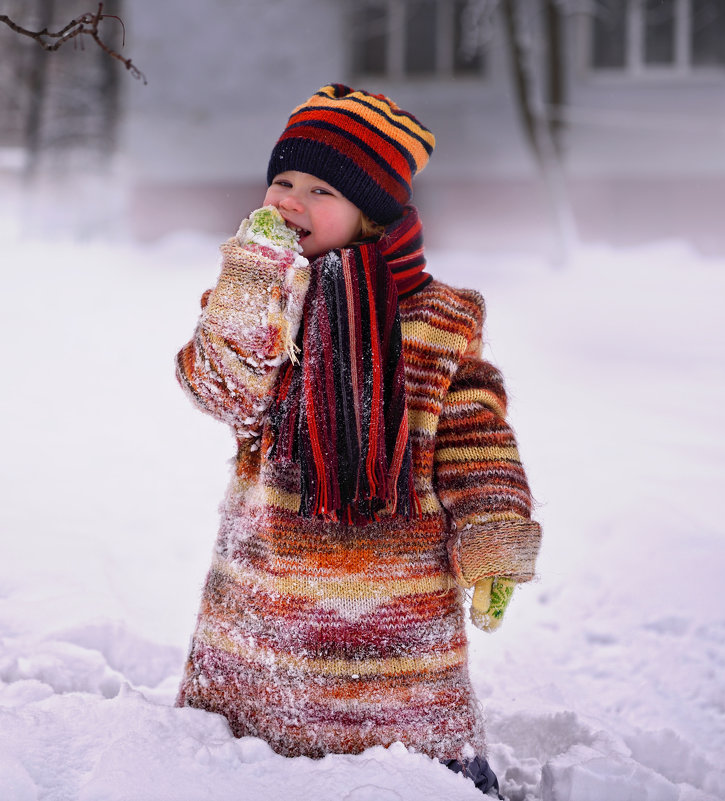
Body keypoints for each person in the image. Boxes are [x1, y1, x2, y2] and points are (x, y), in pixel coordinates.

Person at [174, 84, 541, 797]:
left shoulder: (440, 318)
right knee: (256, 736)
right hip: (270, 589)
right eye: (281, 180)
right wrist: (249, 285)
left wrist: (495, 533)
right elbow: (220, 390)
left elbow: (476, 434)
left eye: (319, 189)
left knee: (408, 737)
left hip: (395, 601)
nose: (289, 200)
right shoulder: (263, 301)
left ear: (371, 213)